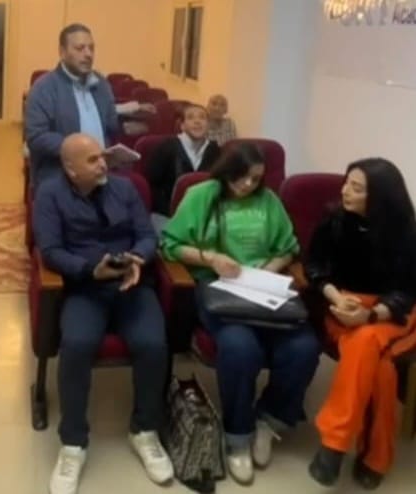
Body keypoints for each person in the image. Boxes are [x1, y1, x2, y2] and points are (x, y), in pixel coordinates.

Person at [161, 143, 320, 486]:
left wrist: (268, 269)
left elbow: (288, 247)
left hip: (263, 288)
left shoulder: (269, 201)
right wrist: (211, 258)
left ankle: (269, 419)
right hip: (219, 291)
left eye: (256, 179)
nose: (248, 185)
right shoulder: (202, 195)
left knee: (304, 346)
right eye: (242, 177)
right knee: (240, 347)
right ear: (227, 170)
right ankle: (238, 436)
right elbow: (170, 244)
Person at [34, 133, 173, 494]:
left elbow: (147, 235)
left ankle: (145, 430)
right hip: (85, 287)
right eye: (93, 160)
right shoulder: (50, 194)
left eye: (102, 157)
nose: (102, 164)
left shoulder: (125, 188)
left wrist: (138, 258)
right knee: (77, 345)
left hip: (132, 284)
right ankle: (73, 444)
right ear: (70, 169)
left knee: (153, 345)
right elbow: (50, 250)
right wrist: (88, 270)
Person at [306, 158, 416, 490]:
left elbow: (408, 291)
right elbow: (314, 266)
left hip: (392, 315)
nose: (344, 191)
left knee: (366, 341)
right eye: (346, 183)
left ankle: (334, 444)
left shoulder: (406, 232)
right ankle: (376, 457)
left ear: (379, 196)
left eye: (356, 188)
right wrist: (335, 298)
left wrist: (371, 315)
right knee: (379, 368)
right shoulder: (334, 219)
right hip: (344, 306)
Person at [25, 24, 121, 190]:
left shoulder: (102, 85)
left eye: (91, 48)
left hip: (101, 174)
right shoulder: (44, 88)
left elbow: (111, 127)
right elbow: (36, 137)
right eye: (80, 48)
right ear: (62, 52)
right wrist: (80, 151)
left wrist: (126, 129)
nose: (88, 54)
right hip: (60, 178)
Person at [145, 103, 221, 234]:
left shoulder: (215, 150)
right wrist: (175, 214)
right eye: (190, 117)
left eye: (202, 117)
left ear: (208, 125)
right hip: (168, 213)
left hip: (203, 214)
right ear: (182, 125)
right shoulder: (166, 147)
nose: (197, 121)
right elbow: (153, 187)